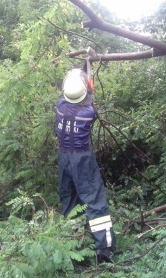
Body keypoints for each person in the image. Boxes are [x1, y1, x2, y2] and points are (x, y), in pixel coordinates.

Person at [54, 67, 116, 262]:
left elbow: (72, 94)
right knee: (95, 201)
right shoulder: (89, 112)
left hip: (64, 158)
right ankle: (104, 250)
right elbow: (89, 97)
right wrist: (88, 82)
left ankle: (74, 244)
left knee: (69, 199)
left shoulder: (60, 105)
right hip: (82, 159)